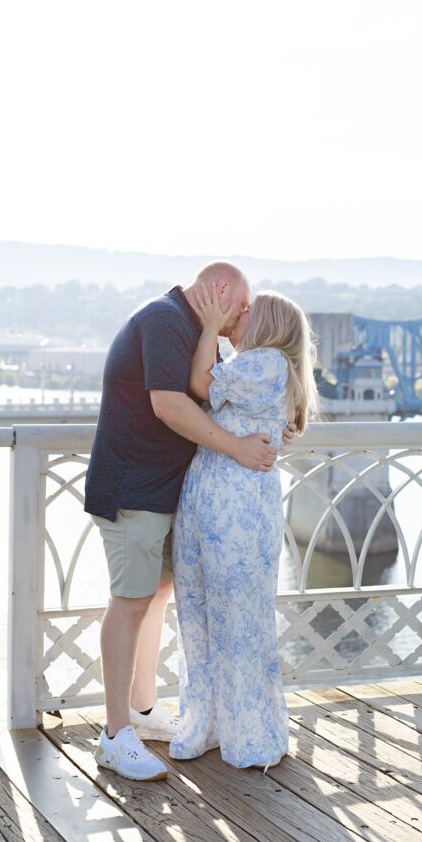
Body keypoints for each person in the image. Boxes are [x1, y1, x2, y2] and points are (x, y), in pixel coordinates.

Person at [84, 262, 297, 781]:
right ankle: (114, 736)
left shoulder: (199, 334)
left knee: (155, 595)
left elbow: (214, 397)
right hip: (132, 488)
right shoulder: (164, 319)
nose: (245, 314)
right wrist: (241, 449)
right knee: (130, 602)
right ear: (218, 290)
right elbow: (171, 406)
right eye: (242, 303)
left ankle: (141, 709)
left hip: (168, 492)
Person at [169, 287, 318, 773]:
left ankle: (244, 732)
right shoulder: (257, 365)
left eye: (250, 310)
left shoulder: (267, 363)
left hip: (233, 505)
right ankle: (215, 723)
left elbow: (199, 383)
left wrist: (210, 327)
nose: (241, 312)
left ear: (270, 323)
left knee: (233, 617)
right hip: (214, 498)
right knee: (204, 612)